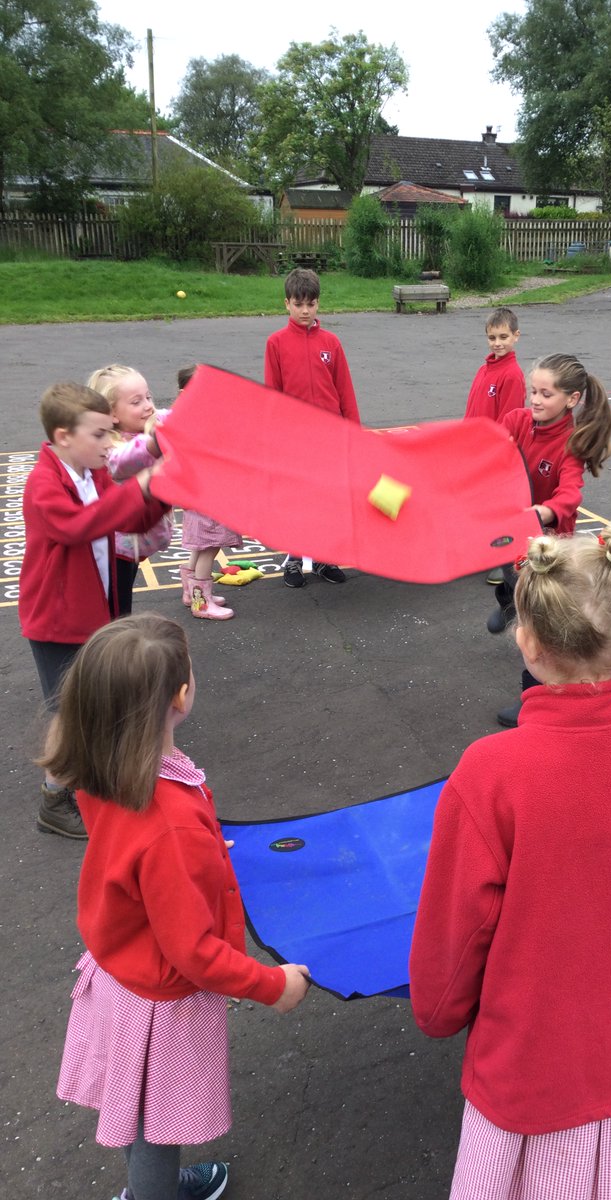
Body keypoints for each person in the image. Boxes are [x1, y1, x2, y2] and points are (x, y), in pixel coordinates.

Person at [411, 522, 611, 1200]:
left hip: (526, 1068)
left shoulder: (489, 771)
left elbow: (455, 933)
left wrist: (439, 1009)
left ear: (527, 641)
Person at [44, 614, 311, 1200]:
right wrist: (274, 984)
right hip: (161, 1007)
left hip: (122, 971)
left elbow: (140, 865)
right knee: (155, 1126)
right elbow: (193, 951)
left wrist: (200, 852)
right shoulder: (169, 821)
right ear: (181, 695)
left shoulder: (107, 769)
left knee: (142, 1114)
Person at [19, 382, 168, 839]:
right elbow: (78, 526)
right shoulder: (45, 483)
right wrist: (141, 483)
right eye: (99, 435)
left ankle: (92, 784)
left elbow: (120, 518)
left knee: (95, 702)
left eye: (110, 433)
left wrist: (162, 490)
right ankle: (54, 798)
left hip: (94, 607)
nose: (110, 444)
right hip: (57, 619)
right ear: (63, 436)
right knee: (69, 710)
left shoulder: (92, 471)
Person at [487, 352, 611, 726]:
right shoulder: (517, 420)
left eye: (546, 394)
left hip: (548, 545)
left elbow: (570, 493)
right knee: (510, 581)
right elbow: (490, 449)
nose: (536, 401)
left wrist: (543, 511)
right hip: (512, 530)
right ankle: (508, 603)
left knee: (540, 626)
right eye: (533, 392)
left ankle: (532, 700)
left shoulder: (572, 443)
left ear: (571, 399)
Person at [264, 267, 359, 588]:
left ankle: (322, 558)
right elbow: (272, 394)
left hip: (330, 437)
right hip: (295, 441)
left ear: (318, 304)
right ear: (286, 304)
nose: (306, 310)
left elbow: (344, 390)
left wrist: (353, 433)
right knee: (299, 501)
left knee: (328, 500)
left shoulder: (331, 342)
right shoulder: (275, 343)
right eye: (299, 304)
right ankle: (293, 560)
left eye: (312, 304)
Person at [87, 365, 175, 617]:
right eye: (136, 402)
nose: (148, 405)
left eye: (148, 397)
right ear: (112, 414)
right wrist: (154, 443)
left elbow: (172, 416)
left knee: (120, 598)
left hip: (136, 543)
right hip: (117, 547)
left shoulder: (148, 423)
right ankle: (111, 646)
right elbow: (124, 460)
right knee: (116, 605)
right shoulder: (111, 446)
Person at [464, 306, 527, 585]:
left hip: (495, 454)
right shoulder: (484, 370)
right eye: (492, 337)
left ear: (516, 336)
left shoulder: (512, 375)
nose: (498, 343)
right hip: (475, 450)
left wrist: (491, 452)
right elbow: (472, 410)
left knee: (497, 508)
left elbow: (510, 420)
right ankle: (485, 551)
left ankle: (503, 560)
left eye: (503, 336)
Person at [174, 364, 240, 621]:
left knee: (199, 545)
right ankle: (201, 602)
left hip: (198, 491)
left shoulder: (191, 415)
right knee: (209, 546)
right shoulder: (196, 418)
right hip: (207, 493)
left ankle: (192, 592)